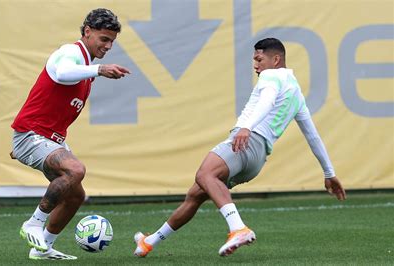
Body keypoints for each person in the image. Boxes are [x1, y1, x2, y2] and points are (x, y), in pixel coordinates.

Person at [133, 37, 346, 258]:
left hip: (245, 142)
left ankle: (238, 229)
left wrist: (246, 126)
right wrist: (329, 173)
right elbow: (312, 135)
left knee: (205, 174)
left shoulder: (272, 75)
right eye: (254, 59)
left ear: (276, 59)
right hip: (257, 159)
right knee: (195, 195)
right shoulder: (296, 93)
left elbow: (268, 99)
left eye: (259, 58)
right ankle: (150, 241)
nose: (256, 64)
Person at [10, 8, 130, 260]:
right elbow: (62, 73)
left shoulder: (86, 67)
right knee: (75, 170)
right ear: (87, 31)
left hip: (45, 138)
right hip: (33, 134)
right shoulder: (70, 52)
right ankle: (34, 224)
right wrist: (99, 70)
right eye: (104, 39)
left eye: (111, 41)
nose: (108, 46)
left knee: (75, 195)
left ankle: (42, 248)